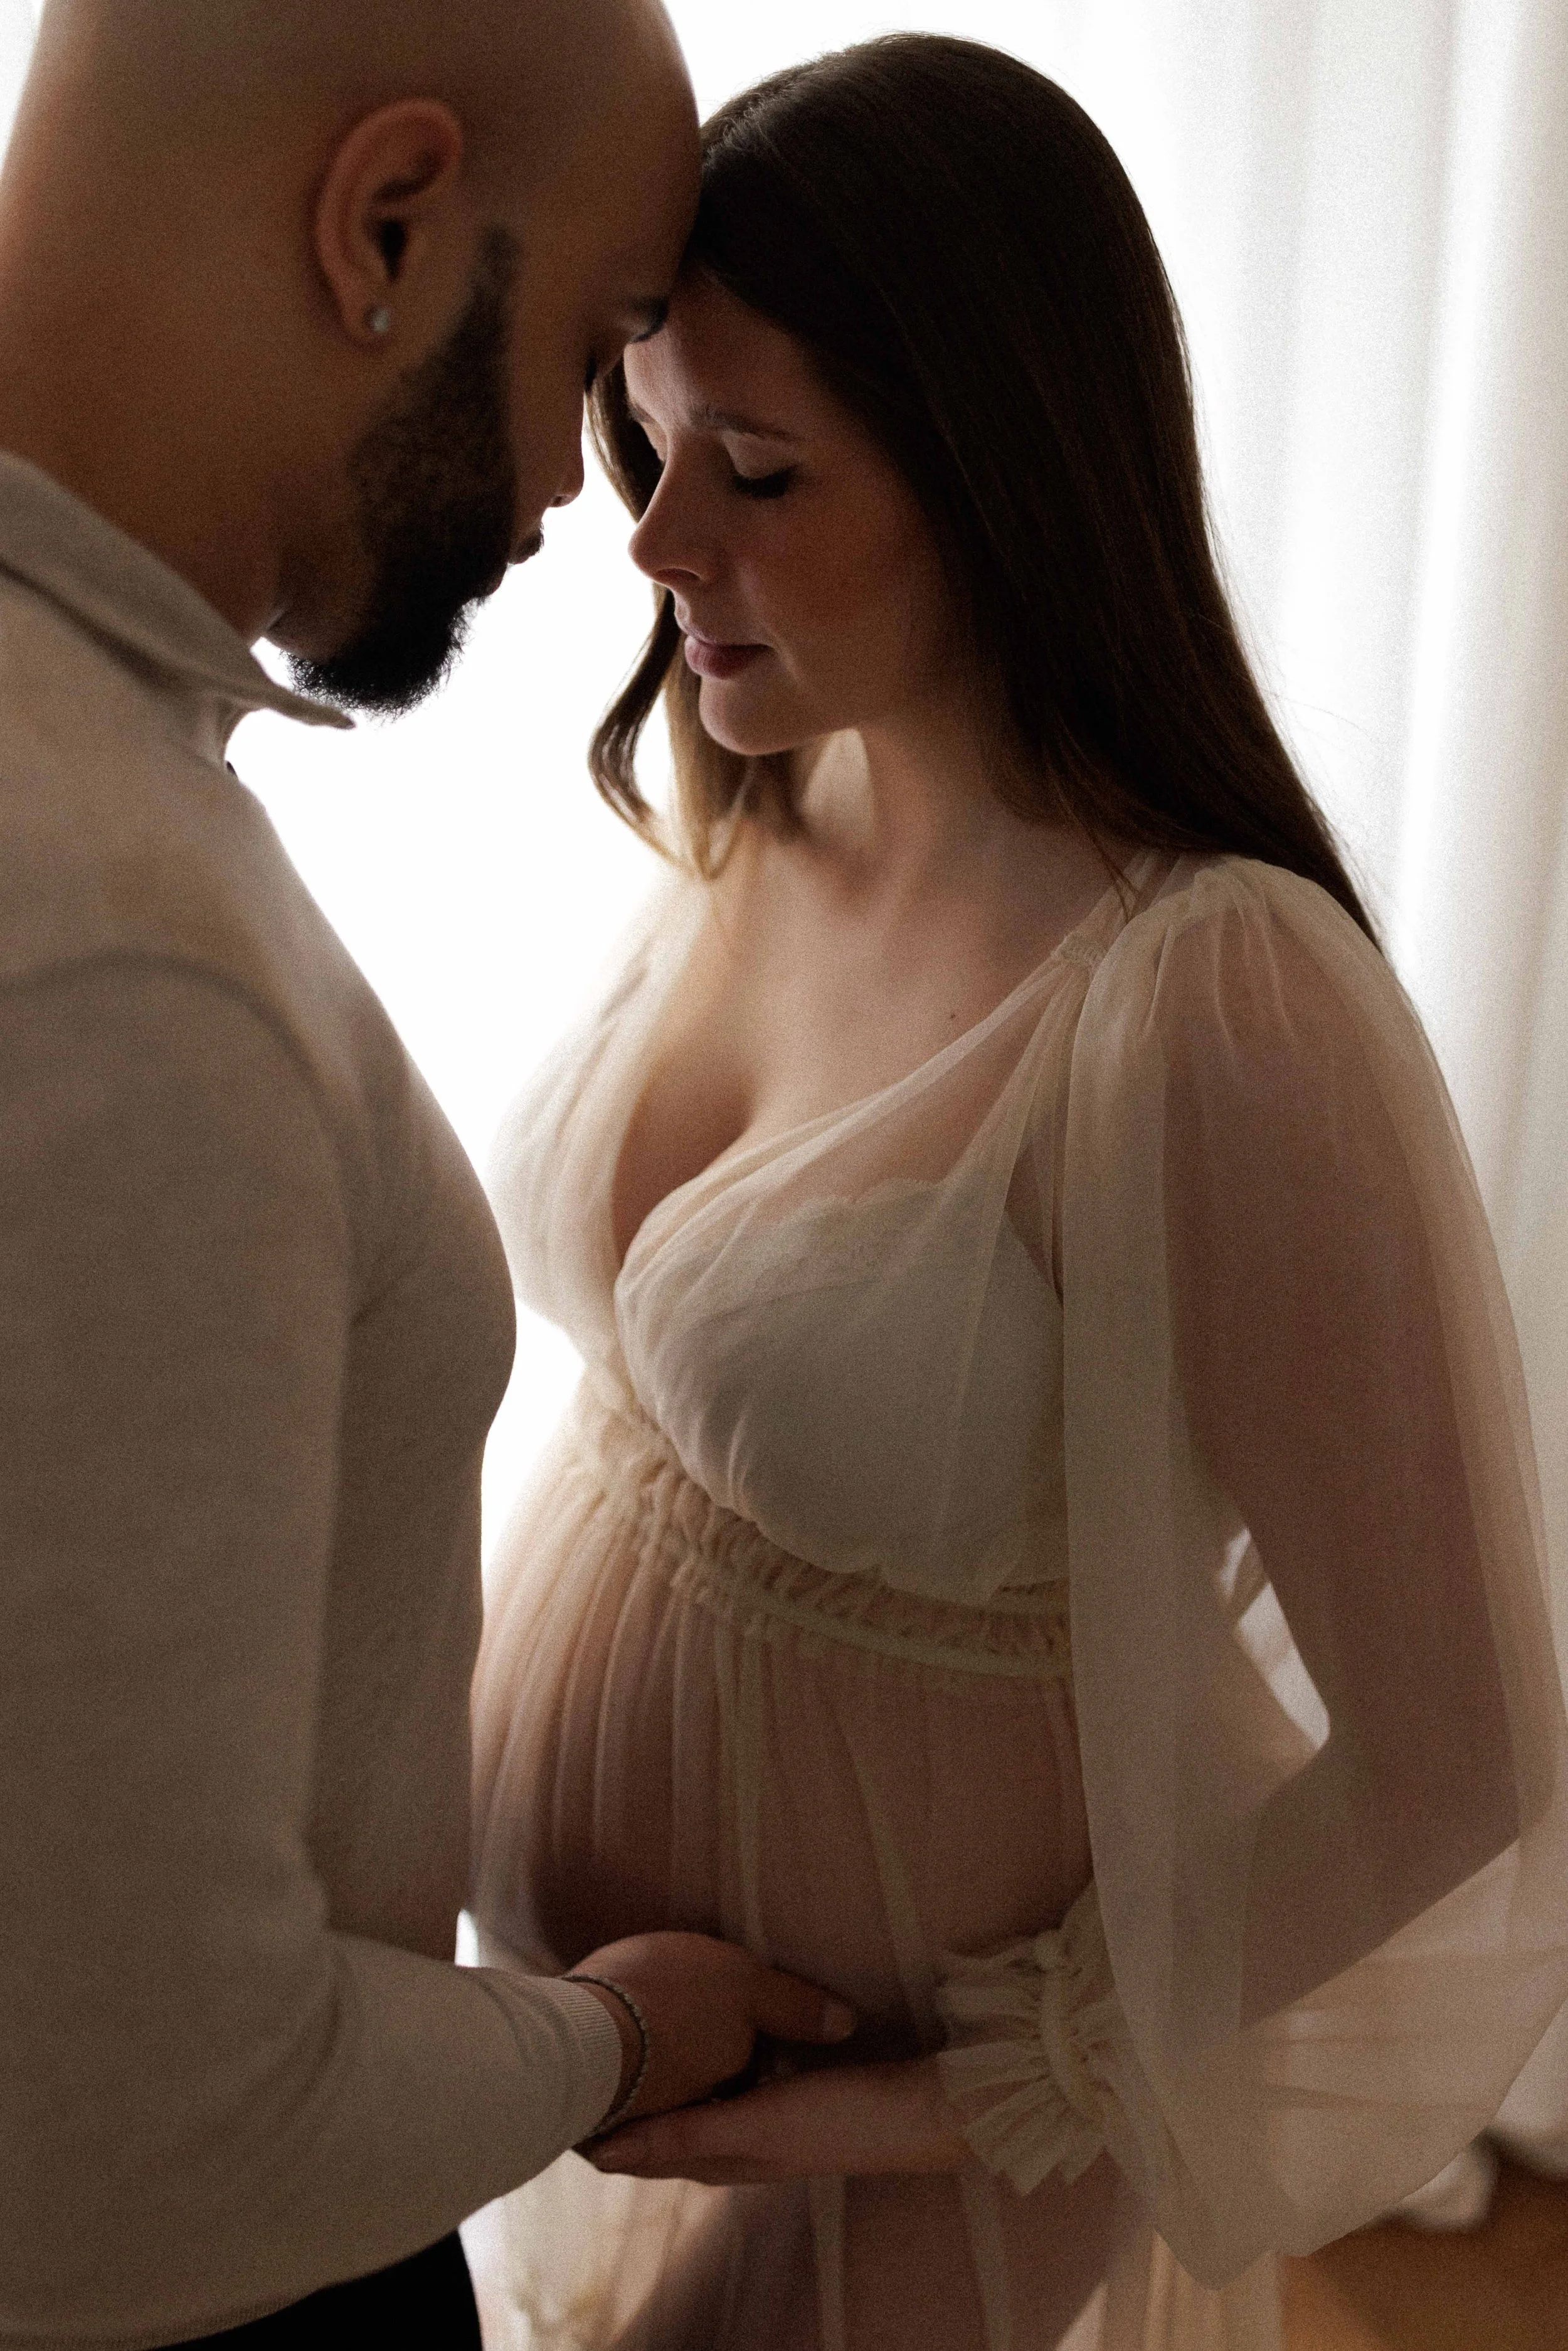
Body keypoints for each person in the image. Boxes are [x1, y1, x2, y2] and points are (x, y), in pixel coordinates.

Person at [467, 34, 1568, 2351]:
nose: (655, 542)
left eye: (756, 469)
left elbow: (1454, 1753)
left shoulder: (1209, 1001)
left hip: (890, 2109)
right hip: (586, 2039)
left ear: (999, 470)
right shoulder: (772, 793)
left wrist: (967, 2088)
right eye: (648, 446)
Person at [0, 5, 857, 2346]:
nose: (581, 502)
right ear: (384, 221)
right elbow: (136, 2148)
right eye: (585, 352)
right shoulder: (109, 955)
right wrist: (613, 2042)